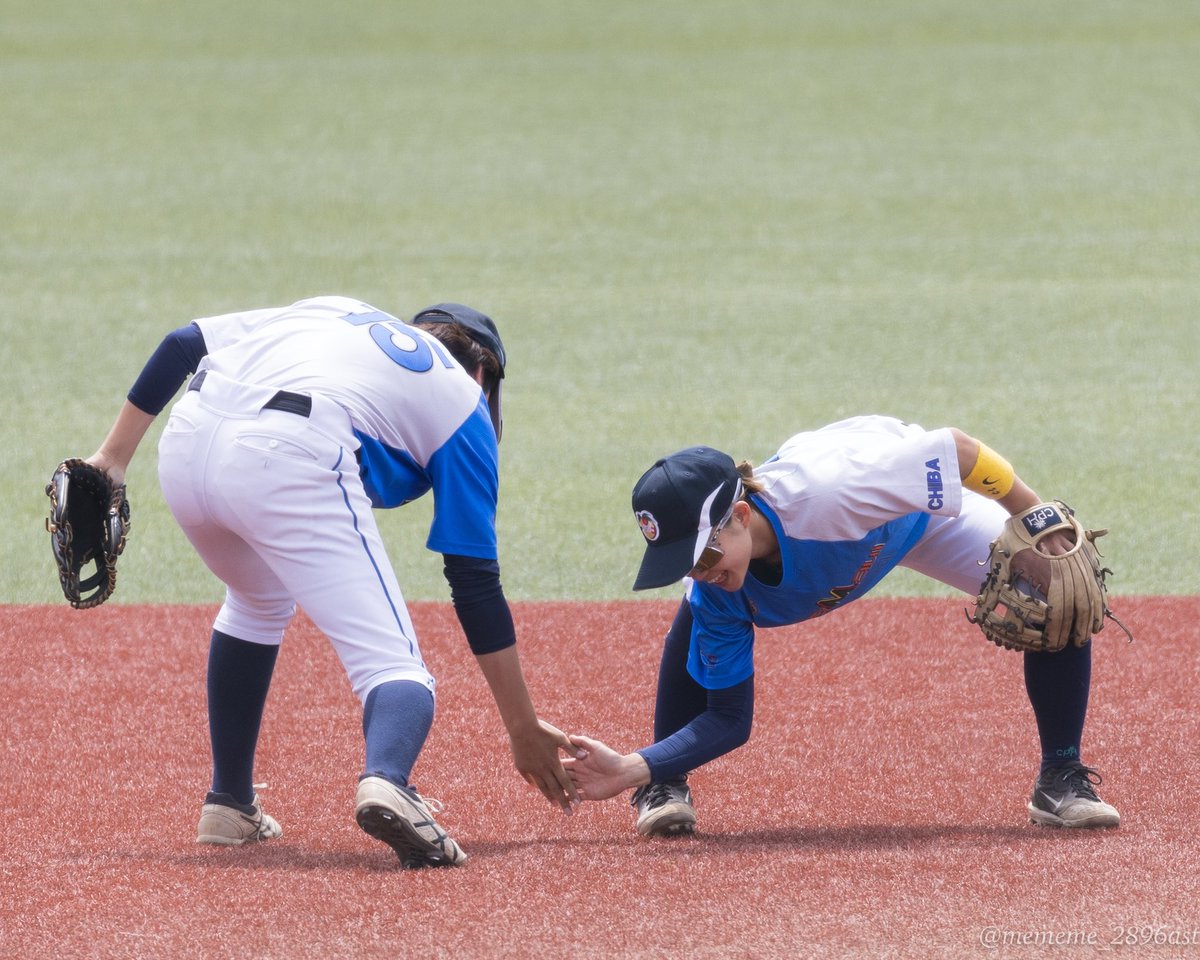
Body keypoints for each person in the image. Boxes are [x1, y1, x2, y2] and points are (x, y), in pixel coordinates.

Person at [85, 294, 579, 867]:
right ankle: (387, 779)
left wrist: (112, 458)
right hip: (288, 451)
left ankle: (229, 802)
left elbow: (181, 344)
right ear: (484, 371)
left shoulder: (335, 313)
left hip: (186, 443)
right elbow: (472, 580)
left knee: (255, 601)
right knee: (394, 666)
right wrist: (520, 725)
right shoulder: (464, 399)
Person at [564, 415, 1120, 835]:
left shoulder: (830, 494)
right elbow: (730, 719)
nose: (699, 573)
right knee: (701, 608)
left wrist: (1031, 513)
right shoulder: (719, 589)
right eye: (682, 566)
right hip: (846, 539)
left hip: (912, 520)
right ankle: (663, 781)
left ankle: (1060, 777)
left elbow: (956, 449)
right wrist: (632, 768)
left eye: (703, 558)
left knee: (1056, 588)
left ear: (738, 517)